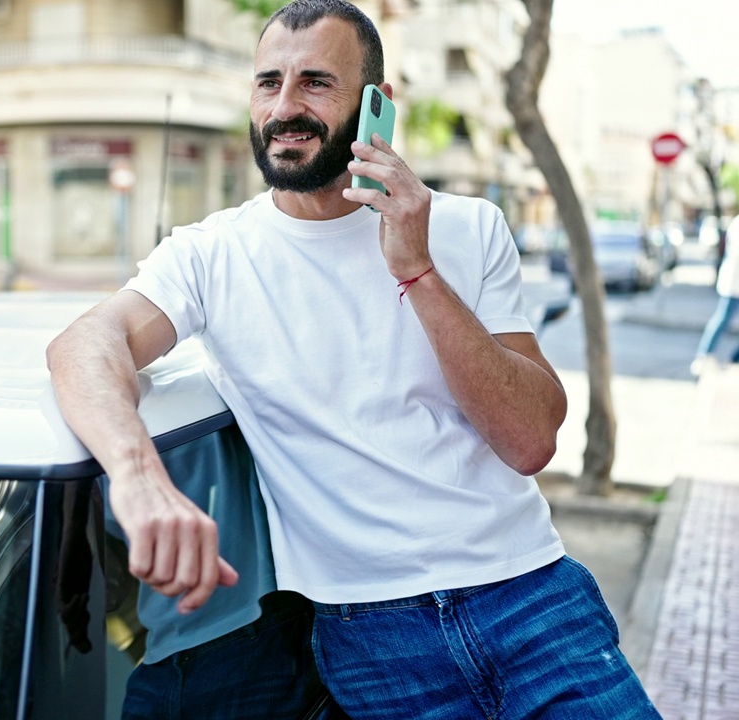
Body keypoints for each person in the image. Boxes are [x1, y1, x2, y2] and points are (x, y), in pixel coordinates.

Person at [45, 1, 660, 717]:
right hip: (369, 635)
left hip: (529, 593)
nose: (285, 106)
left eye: (315, 83)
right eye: (268, 81)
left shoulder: (467, 227)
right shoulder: (211, 255)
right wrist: (139, 478)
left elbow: (530, 439)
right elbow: (85, 343)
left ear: (379, 107)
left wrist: (419, 271)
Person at [691, 214, 739, 376]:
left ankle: (734, 359)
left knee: (722, 319)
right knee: (722, 319)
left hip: (734, 283)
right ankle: (703, 356)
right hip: (734, 284)